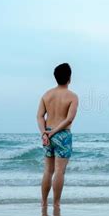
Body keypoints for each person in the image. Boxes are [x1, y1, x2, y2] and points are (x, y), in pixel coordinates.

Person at [37, 63, 79, 207]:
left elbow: (39, 116)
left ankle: (43, 202)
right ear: (69, 78)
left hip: (47, 134)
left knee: (48, 171)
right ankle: (56, 203)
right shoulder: (72, 96)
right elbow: (69, 119)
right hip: (62, 135)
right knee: (60, 171)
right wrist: (54, 132)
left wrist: (44, 133)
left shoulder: (46, 95)